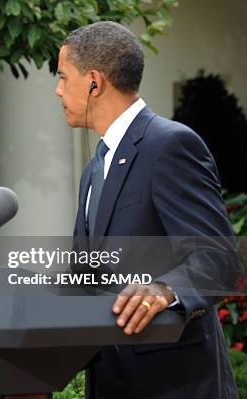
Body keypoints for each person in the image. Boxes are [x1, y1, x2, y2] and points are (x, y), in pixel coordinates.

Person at [56, 21, 240, 398]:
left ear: (94, 81)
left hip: (175, 384)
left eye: (63, 77)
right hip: (110, 381)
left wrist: (166, 289)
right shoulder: (94, 169)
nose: (58, 90)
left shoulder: (171, 145)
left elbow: (217, 255)